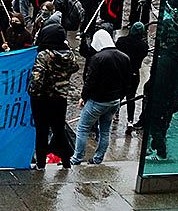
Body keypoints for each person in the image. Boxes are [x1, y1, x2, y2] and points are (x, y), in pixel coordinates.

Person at [71, 29, 130, 165]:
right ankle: (98, 158)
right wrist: (119, 98)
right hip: (114, 101)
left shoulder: (98, 58)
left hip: (98, 100)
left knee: (83, 128)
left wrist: (83, 97)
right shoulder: (124, 57)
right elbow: (127, 83)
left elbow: (90, 82)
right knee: (105, 131)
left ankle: (77, 158)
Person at [28, 23, 78, 169]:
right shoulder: (69, 55)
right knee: (59, 130)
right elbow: (74, 67)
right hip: (60, 98)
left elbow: (37, 79)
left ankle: (41, 163)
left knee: (42, 131)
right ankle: (66, 161)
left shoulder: (44, 55)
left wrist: (33, 93)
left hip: (42, 99)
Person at [116, 22, 149, 133]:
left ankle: (114, 113)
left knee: (118, 95)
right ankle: (130, 121)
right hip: (134, 74)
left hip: (121, 73)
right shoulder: (143, 46)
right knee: (131, 98)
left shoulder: (121, 41)